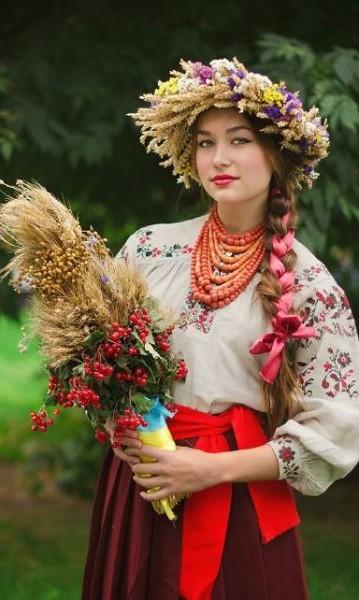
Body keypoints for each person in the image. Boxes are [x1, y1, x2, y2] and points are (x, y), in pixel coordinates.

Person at [82, 58, 359, 600]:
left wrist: (207, 471)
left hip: (235, 504)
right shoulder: (149, 248)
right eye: (205, 143)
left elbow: (335, 433)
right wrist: (120, 424)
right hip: (141, 487)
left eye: (239, 140)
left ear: (276, 156)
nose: (219, 158)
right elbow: (97, 360)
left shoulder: (311, 286)